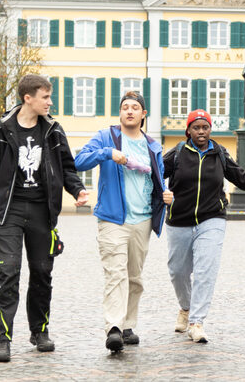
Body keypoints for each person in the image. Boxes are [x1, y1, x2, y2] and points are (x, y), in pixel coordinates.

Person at [0, 74, 89, 362]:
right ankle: (2, 339)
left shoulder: (54, 131)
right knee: (7, 273)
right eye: (45, 97)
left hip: (42, 214)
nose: (50, 102)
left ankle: (40, 331)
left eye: (49, 96)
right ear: (28, 98)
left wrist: (77, 190)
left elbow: (67, 167)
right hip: (8, 212)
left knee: (42, 275)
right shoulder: (0, 130)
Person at [163, 109, 245, 343]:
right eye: (197, 127)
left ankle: (196, 322)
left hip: (212, 218)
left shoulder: (219, 153)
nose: (201, 131)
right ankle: (185, 307)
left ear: (210, 129)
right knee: (178, 271)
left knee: (206, 270)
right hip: (179, 219)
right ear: (189, 130)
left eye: (205, 127)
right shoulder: (177, 154)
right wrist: (161, 195)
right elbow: (154, 177)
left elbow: (240, 177)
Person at [74, 91, 167, 353]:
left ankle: (127, 325)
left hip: (143, 219)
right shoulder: (106, 137)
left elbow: (156, 179)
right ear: (120, 113)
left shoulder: (153, 145)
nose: (129, 111)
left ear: (143, 114)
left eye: (135, 107)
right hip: (113, 219)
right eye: (125, 107)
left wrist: (166, 193)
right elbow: (78, 161)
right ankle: (113, 328)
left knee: (135, 278)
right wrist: (107, 153)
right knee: (116, 274)